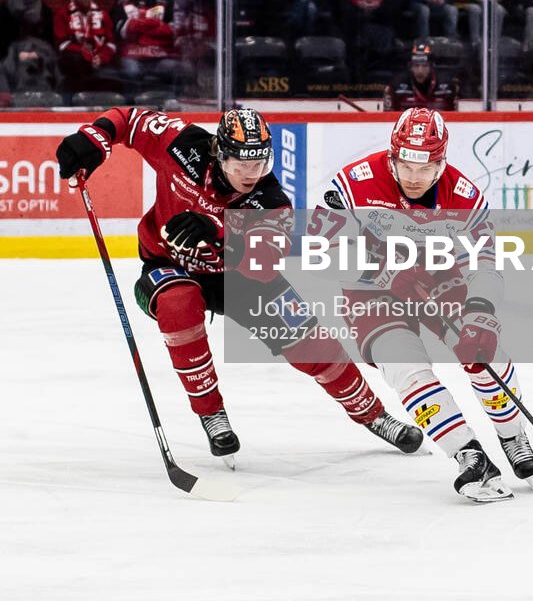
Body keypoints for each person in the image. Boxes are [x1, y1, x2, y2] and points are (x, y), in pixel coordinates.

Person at [55, 106, 421, 463]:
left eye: (260, 164)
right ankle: (211, 413)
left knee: (313, 343)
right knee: (179, 303)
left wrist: (216, 230)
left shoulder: (271, 201)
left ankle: (374, 415)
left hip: (238, 277)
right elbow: (131, 120)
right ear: (219, 154)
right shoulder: (182, 145)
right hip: (166, 265)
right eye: (241, 165)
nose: (251, 174)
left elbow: (263, 266)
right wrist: (94, 137)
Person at [312, 108, 533, 500]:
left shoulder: (465, 196)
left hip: (439, 278)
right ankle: (468, 454)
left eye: (427, 167)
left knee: (482, 350)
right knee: (405, 368)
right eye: (405, 166)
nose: (414, 177)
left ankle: (512, 434)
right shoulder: (352, 184)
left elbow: (485, 263)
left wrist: (480, 311)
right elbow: (320, 250)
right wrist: (382, 270)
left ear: (441, 164)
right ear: (392, 157)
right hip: (370, 291)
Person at [386, 39, 456, 111]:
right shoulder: (397, 84)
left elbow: (455, 116)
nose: (420, 71)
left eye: (424, 66)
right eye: (416, 66)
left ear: (431, 67)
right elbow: (388, 117)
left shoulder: (447, 85)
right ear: (411, 67)